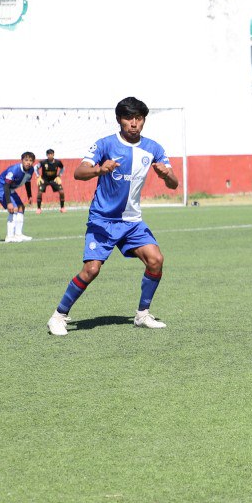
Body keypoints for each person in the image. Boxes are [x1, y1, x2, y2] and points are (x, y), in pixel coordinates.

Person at [46, 97, 179, 336]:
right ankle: (58, 316)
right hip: (103, 220)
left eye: (139, 119)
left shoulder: (153, 148)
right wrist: (100, 168)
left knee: (156, 260)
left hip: (132, 221)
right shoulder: (105, 144)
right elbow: (78, 172)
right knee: (91, 270)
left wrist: (165, 175)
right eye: (129, 118)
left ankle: (142, 314)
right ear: (119, 120)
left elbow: (173, 183)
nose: (134, 123)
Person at [0, 152, 37, 243]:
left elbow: (27, 181)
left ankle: (18, 234)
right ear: (22, 160)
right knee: (14, 208)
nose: (28, 162)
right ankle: (9, 236)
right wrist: (9, 202)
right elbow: (6, 186)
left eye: (31, 160)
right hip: (0, 187)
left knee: (21, 207)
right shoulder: (14, 170)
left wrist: (29, 195)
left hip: (10, 188)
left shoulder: (31, 170)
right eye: (26, 160)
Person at [36, 149, 66, 213]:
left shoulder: (58, 162)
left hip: (54, 179)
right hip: (44, 180)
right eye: (48, 154)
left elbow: (63, 168)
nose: (50, 156)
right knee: (40, 192)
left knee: (61, 192)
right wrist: (38, 176)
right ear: (47, 155)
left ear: (53, 154)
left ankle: (62, 207)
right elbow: (35, 168)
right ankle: (39, 208)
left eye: (51, 154)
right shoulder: (43, 162)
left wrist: (59, 175)